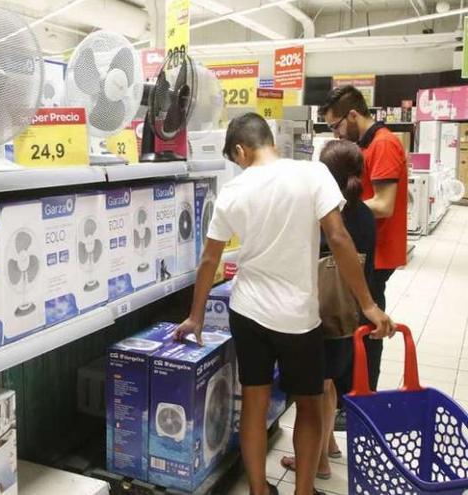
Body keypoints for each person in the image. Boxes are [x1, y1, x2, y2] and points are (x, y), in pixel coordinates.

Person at [175, 113, 393, 495]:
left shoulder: (233, 192)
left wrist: (195, 317)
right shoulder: (312, 174)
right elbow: (340, 239)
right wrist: (369, 305)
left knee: (255, 402)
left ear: (241, 150)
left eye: (235, 159)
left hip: (247, 312)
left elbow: (209, 260)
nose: (238, 166)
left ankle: (259, 490)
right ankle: (303, 491)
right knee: (309, 405)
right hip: (297, 318)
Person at [279, 140, 377, 480]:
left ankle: (317, 461)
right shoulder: (364, 213)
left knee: (316, 388)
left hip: (323, 313)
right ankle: (330, 444)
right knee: (331, 379)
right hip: (349, 315)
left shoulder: (328, 216)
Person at [320, 86, 408, 428]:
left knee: (368, 326)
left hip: (376, 252)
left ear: (352, 116)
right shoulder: (366, 145)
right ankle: (349, 400)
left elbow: (384, 204)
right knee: (355, 323)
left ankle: (362, 400)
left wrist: (336, 210)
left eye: (336, 126)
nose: (337, 133)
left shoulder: (384, 144)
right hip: (361, 248)